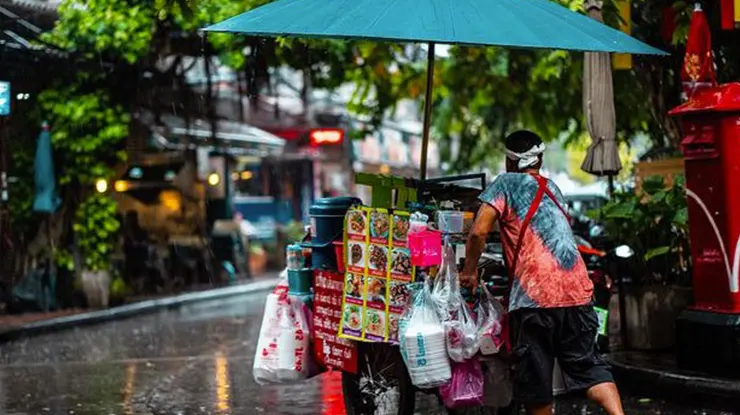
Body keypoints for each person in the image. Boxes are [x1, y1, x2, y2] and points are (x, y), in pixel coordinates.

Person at [460, 130, 625, 415]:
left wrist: (470, 272)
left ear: (509, 161)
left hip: (536, 298)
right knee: (590, 369)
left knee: (536, 384)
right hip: (578, 294)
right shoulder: (553, 188)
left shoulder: (505, 184)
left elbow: (478, 232)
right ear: (540, 158)